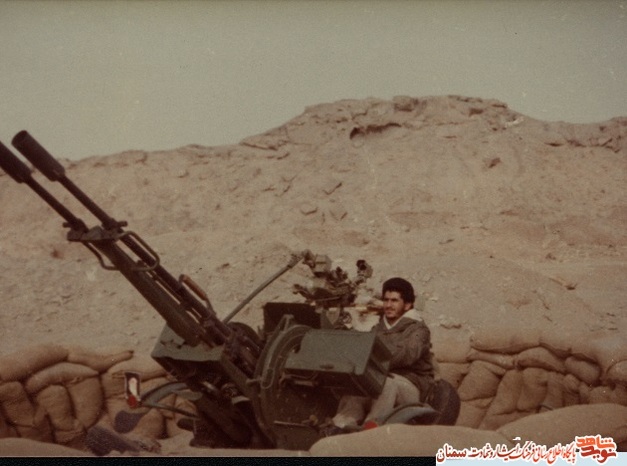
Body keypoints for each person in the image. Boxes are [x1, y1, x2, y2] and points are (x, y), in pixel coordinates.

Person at [325, 277, 435, 434]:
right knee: (358, 383)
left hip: (411, 385)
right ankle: (341, 424)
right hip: (382, 378)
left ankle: (372, 427)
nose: (388, 305)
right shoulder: (377, 329)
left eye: (394, 301)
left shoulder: (418, 330)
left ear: (407, 305)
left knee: (386, 383)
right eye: (386, 300)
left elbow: (407, 355)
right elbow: (363, 350)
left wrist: (372, 356)